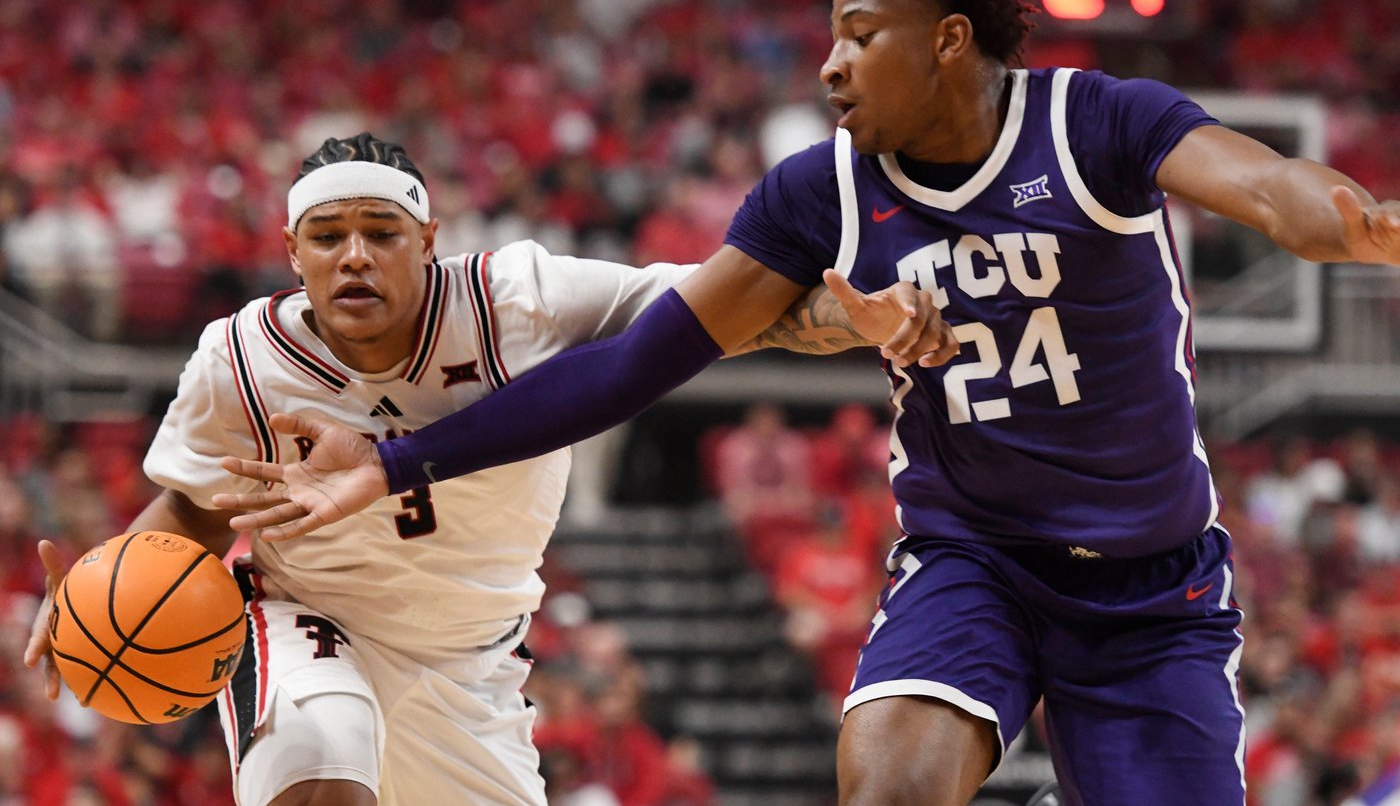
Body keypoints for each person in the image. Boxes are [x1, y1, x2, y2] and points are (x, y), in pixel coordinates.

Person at [208, 0, 1400, 806]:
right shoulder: (815, 192)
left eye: (857, 34)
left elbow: (1273, 192)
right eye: (829, 36)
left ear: (945, 42)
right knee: (884, 784)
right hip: (972, 559)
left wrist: (1353, 221)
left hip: (1150, 587)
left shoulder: (1095, 122)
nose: (828, 64)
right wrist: (399, 458)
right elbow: (633, 366)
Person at [22, 131, 953, 806]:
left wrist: (850, 320)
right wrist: (101, 594)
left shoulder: (523, 299)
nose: (355, 255)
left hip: (471, 661)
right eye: (329, 235)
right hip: (307, 617)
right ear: (291, 254)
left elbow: (721, 312)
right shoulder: (238, 356)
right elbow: (192, 507)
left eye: (382, 232)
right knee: (321, 764)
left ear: (429, 242)